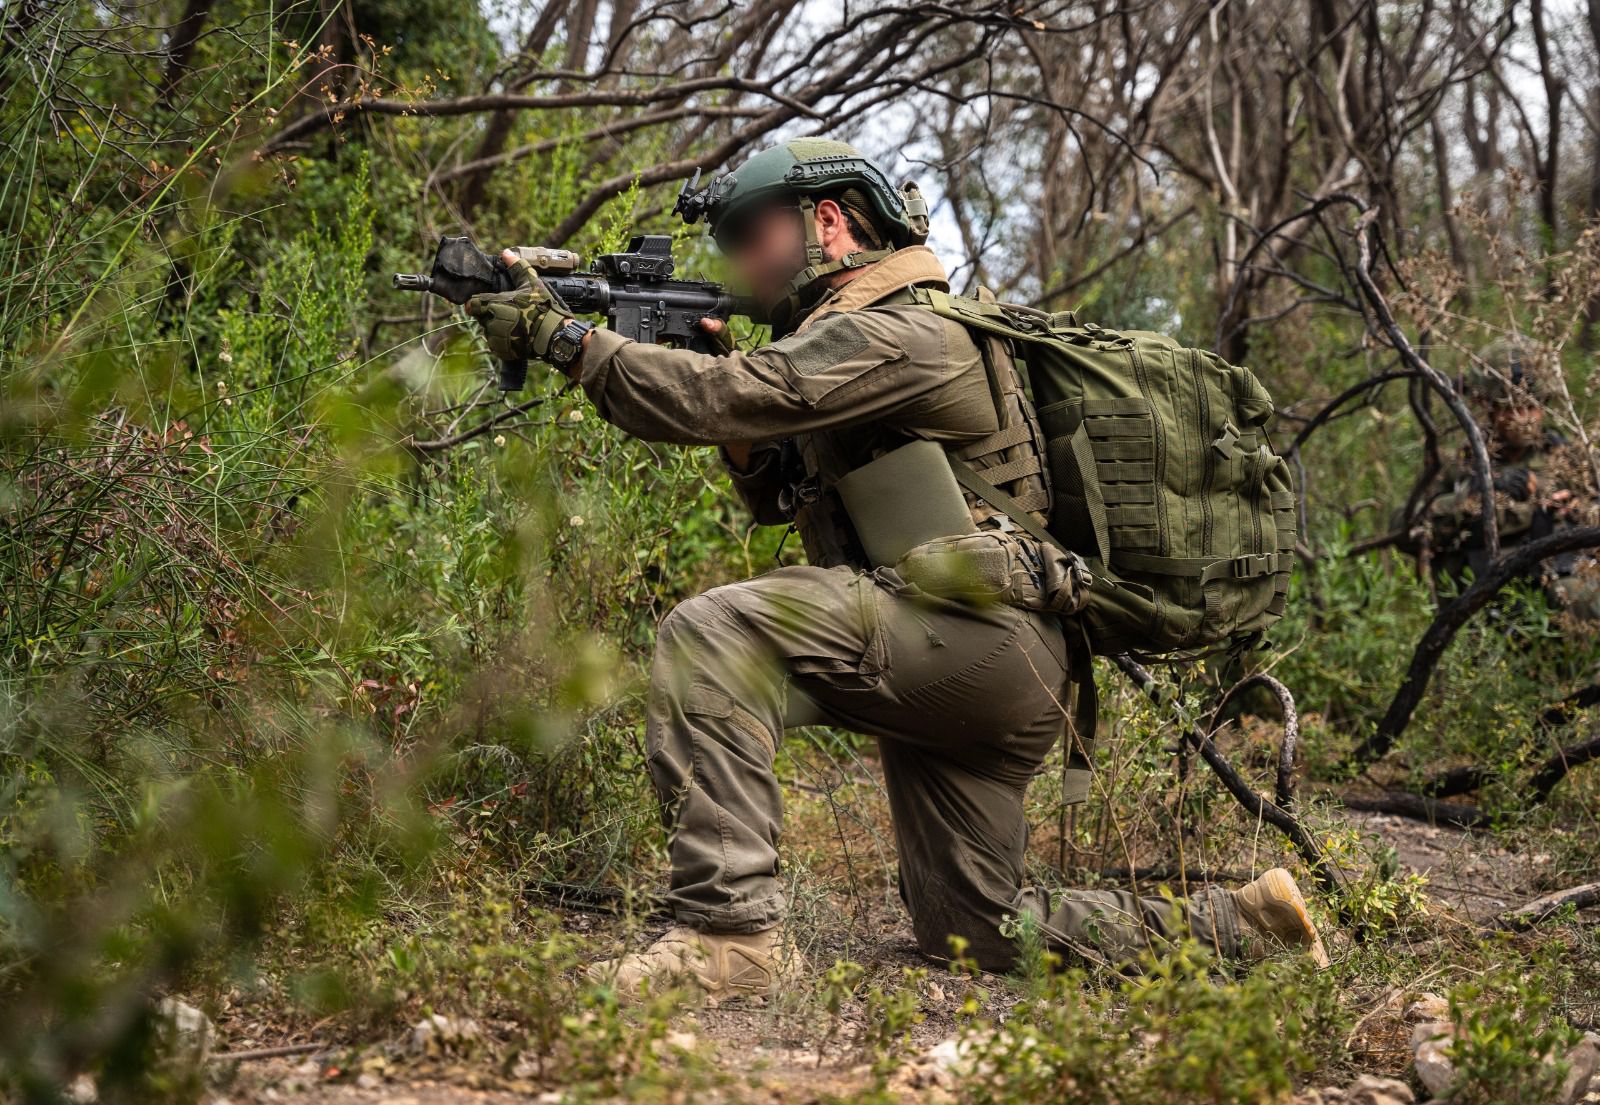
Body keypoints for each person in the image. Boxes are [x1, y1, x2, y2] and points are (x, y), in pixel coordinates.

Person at [466, 139, 1328, 998]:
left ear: (829, 223)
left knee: (712, 637)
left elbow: (714, 399)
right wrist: (732, 409)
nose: (738, 262)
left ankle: (729, 935)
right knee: (978, 926)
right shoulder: (869, 335)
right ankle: (1240, 927)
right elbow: (769, 475)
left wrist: (566, 340)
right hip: (996, 657)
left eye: (747, 236)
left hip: (975, 636)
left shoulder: (901, 331)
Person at [1404, 340, 1598, 620]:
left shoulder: (1570, 458)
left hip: (1559, 585)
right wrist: (1477, 495)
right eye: (1510, 407)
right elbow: (1407, 529)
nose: (1523, 419)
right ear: (1485, 405)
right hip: (1487, 602)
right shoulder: (1458, 462)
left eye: (1532, 406)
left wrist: (1580, 510)